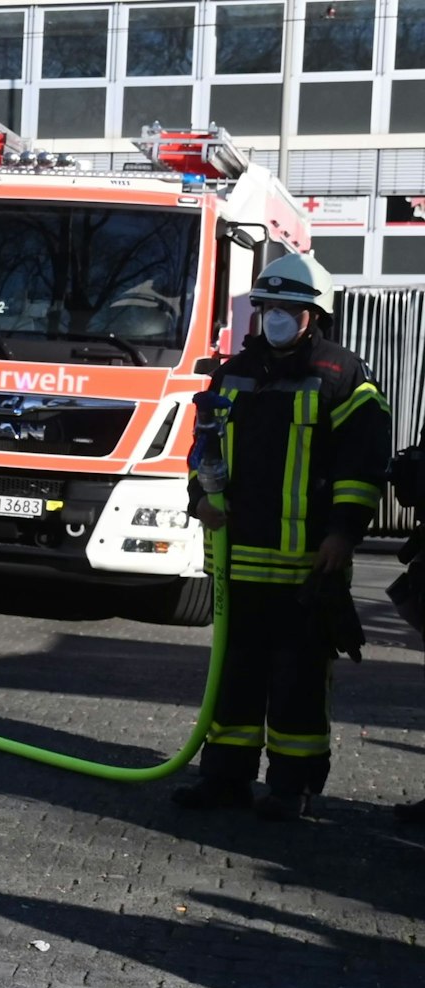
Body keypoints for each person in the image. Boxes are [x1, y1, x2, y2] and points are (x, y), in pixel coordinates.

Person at [176, 253, 391, 821]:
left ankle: (290, 788)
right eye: (267, 307)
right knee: (233, 673)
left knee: (297, 680)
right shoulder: (232, 375)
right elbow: (203, 449)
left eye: (287, 309)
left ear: (313, 315)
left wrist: (343, 534)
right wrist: (199, 498)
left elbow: (362, 466)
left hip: (307, 563)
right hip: (237, 556)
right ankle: (225, 778)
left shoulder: (342, 377)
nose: (274, 318)